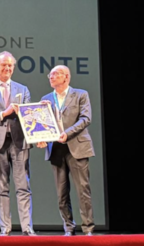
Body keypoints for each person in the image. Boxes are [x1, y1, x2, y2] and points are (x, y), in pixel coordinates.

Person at [37, 65, 95, 236]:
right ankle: (68, 227)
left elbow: (86, 118)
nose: (51, 77)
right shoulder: (46, 99)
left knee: (83, 190)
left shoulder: (80, 94)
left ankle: (88, 228)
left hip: (77, 146)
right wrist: (41, 137)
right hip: (56, 149)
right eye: (50, 74)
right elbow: (42, 125)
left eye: (56, 74)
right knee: (61, 193)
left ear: (66, 77)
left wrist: (66, 134)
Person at [0, 52, 36, 236]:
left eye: (10, 66)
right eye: (3, 65)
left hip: (19, 142)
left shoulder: (23, 89)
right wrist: (4, 114)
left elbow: (29, 117)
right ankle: (5, 229)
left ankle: (27, 228)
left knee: (23, 186)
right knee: (1, 188)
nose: (7, 69)